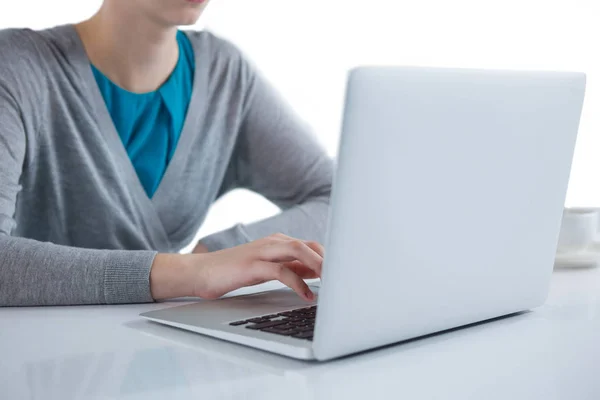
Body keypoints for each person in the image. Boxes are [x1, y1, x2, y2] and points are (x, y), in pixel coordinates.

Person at [0, 0, 333, 306]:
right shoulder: (16, 68)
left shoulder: (224, 75)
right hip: (39, 359)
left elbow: (340, 196)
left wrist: (221, 252)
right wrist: (193, 271)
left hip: (162, 350)